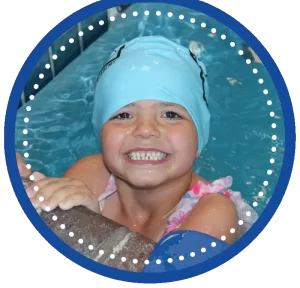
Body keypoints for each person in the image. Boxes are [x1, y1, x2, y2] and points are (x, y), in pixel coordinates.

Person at [17, 36, 257, 244]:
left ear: (198, 141)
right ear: (101, 134)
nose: (145, 129)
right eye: (123, 115)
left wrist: (87, 224)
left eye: (171, 114)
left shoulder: (214, 214)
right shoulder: (90, 174)